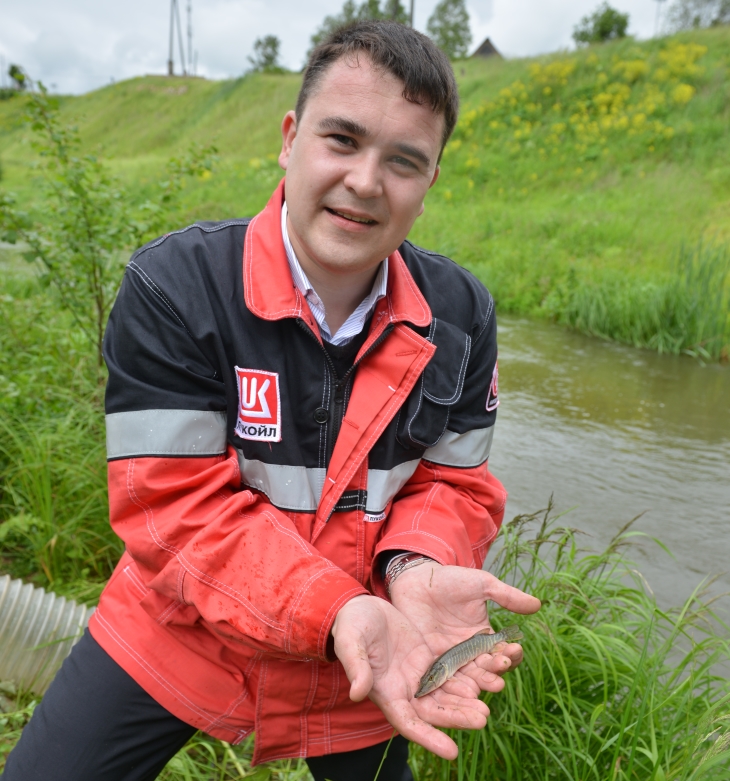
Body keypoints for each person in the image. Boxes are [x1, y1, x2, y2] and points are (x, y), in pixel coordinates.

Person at [2, 20, 540, 781]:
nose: (364, 181)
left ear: (429, 183)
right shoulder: (176, 287)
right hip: (180, 631)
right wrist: (334, 606)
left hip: (371, 652)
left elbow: (453, 484)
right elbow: (177, 510)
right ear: (290, 139)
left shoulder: (463, 315)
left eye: (403, 161)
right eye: (342, 140)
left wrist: (416, 566)